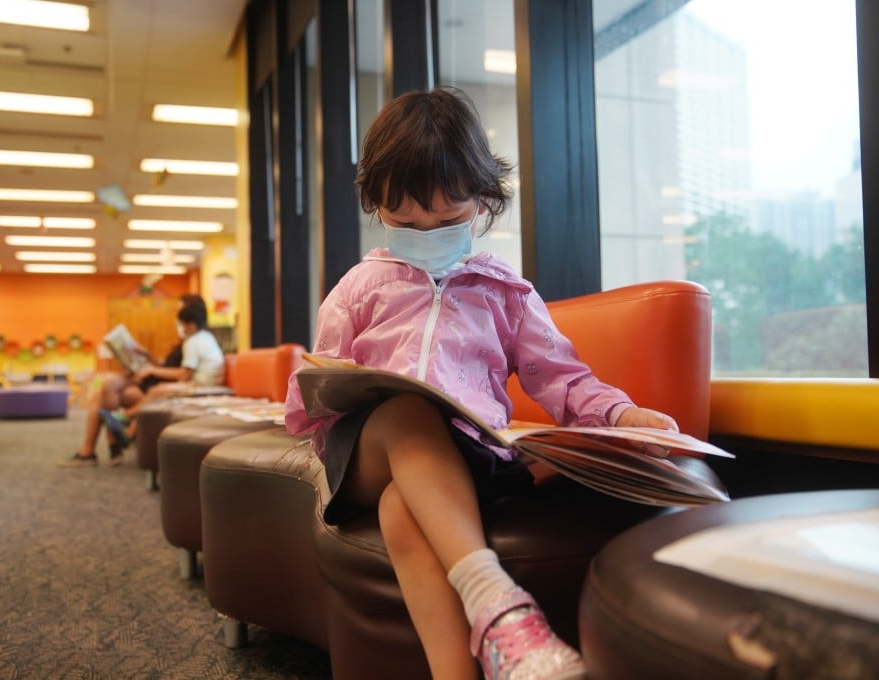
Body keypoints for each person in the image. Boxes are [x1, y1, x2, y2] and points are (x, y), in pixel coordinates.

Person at [282, 87, 678, 680]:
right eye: (405, 222)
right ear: (378, 207)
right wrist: (326, 394)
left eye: (447, 220)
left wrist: (620, 416)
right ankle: (501, 606)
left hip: (466, 458)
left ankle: (483, 659)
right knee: (407, 416)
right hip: (364, 458)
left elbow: (564, 382)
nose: (427, 234)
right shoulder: (359, 290)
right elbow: (307, 407)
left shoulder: (505, 294)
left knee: (403, 509)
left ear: (483, 202)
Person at [58, 295, 224, 468]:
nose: (177, 325)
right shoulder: (200, 339)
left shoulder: (193, 342)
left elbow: (184, 374)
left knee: (117, 391)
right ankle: (115, 436)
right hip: (177, 381)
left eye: (180, 319)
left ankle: (118, 432)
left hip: (194, 386)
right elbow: (177, 369)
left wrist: (151, 370)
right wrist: (145, 358)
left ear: (190, 323)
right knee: (107, 387)